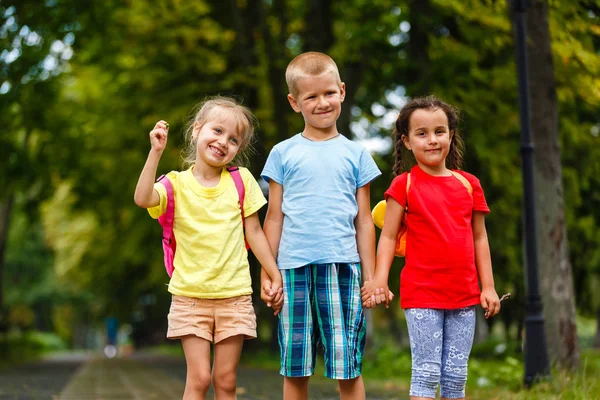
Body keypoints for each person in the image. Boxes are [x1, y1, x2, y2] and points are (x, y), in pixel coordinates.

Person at [134, 96, 282, 400]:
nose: (222, 142)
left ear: (238, 149)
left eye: (233, 139)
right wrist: (155, 153)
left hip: (235, 296)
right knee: (199, 379)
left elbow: (253, 231)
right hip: (190, 297)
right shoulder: (174, 184)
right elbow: (143, 198)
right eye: (216, 131)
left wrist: (273, 272)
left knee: (226, 381)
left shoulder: (241, 181)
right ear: (196, 131)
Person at [361, 95, 501, 400]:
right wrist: (379, 280)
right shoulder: (404, 184)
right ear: (407, 141)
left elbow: (480, 237)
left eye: (439, 131)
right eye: (421, 133)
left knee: (455, 378)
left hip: (464, 295)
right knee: (426, 373)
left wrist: (487, 287)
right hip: (422, 294)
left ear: (451, 135)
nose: (432, 140)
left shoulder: (469, 184)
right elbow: (387, 236)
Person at [259, 52, 381, 400]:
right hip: (292, 268)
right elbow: (275, 216)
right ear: (294, 102)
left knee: (347, 363)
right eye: (311, 96)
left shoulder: (357, 154)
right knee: (295, 365)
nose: (321, 102)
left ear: (342, 91)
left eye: (328, 93)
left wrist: (370, 277)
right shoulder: (283, 154)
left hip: (343, 266)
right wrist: (268, 273)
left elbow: (364, 221)